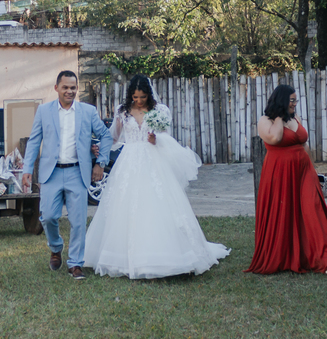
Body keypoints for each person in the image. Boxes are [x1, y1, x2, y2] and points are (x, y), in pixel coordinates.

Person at [84, 75, 229, 279]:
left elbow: (167, 136)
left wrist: (156, 138)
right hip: (129, 160)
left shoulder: (160, 111)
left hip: (153, 159)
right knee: (124, 206)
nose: (139, 101)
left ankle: (167, 255)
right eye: (135, 97)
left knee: (157, 203)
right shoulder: (123, 111)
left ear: (148, 94)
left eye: (142, 96)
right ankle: (123, 256)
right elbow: (114, 136)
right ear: (130, 95)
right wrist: (101, 146)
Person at [247, 84, 327, 275]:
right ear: (282, 101)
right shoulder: (265, 121)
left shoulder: (295, 118)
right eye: (292, 100)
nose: (295, 104)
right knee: (284, 213)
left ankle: (325, 258)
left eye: (295, 100)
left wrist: (314, 171)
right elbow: (275, 138)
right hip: (279, 173)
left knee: (313, 210)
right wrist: (279, 116)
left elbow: (304, 145)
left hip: (304, 172)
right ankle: (285, 257)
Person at [21, 71, 112, 280]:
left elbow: (105, 135)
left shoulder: (88, 112)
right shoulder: (44, 111)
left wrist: (101, 162)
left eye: (73, 87)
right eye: (65, 87)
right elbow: (34, 141)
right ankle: (56, 247)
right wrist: (27, 169)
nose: (70, 91)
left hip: (77, 172)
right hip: (51, 173)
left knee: (79, 221)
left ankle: (75, 264)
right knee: (49, 216)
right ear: (57, 88)